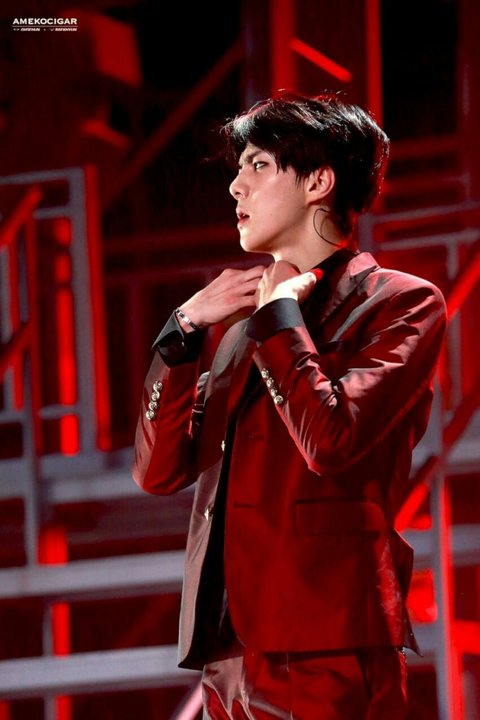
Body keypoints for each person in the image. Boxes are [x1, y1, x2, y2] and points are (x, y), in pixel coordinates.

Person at [132, 93, 446, 719]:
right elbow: (158, 471)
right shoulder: (238, 328)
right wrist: (183, 329)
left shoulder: (400, 303)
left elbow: (330, 440)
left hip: (327, 642)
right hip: (227, 650)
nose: (235, 185)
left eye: (257, 165)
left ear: (318, 182)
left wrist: (279, 317)